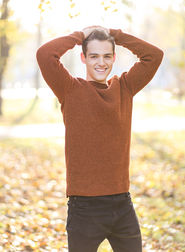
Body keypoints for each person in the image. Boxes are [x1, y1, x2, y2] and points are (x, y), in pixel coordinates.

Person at [36, 25, 164, 252]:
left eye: (106, 56)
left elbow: (154, 56)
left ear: (114, 58)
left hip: (122, 205)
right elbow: (45, 55)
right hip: (84, 209)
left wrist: (118, 35)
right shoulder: (70, 89)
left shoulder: (124, 87)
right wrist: (79, 35)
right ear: (83, 58)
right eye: (94, 56)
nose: (101, 62)